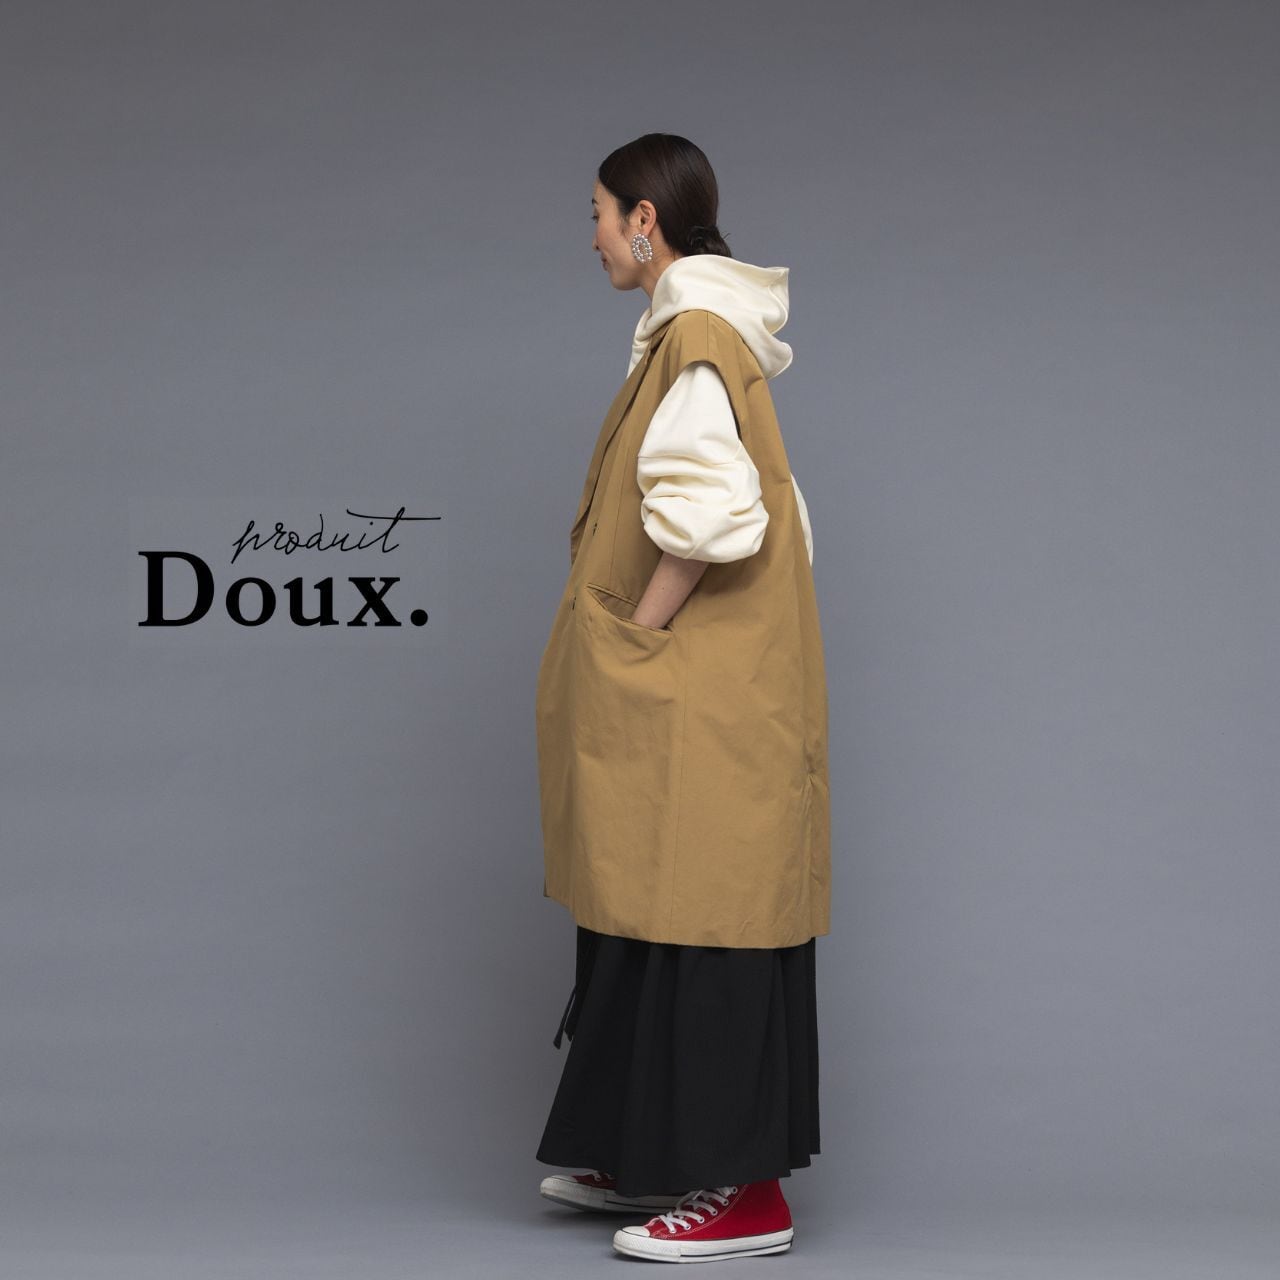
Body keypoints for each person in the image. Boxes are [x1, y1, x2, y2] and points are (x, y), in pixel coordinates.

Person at [533, 133, 832, 1265]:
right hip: (700, 697)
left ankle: (746, 1197)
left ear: (645, 222)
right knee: (645, 905)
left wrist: (637, 635)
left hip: (701, 694)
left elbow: (714, 517)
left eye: (599, 214)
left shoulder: (696, 336)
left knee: (713, 923)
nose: (594, 237)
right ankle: (641, 1150)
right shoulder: (695, 333)